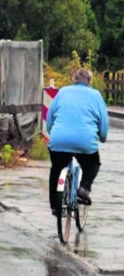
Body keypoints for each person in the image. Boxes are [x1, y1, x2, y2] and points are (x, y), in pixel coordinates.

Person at [46, 68, 108, 216]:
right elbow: (103, 124)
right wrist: (103, 137)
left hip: (59, 139)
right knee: (92, 164)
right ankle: (84, 188)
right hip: (85, 142)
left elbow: (49, 118)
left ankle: (55, 206)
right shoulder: (96, 95)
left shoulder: (62, 92)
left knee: (56, 169)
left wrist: (52, 133)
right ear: (90, 81)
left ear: (73, 79)